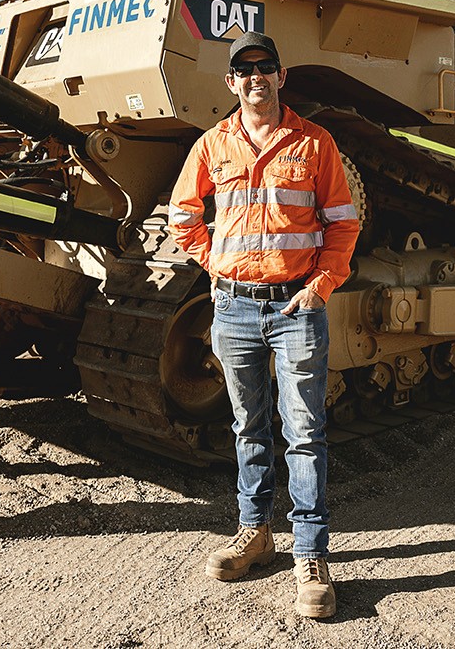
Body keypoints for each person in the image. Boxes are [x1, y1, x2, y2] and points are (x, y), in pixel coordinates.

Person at [169, 31, 361, 619]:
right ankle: (255, 533)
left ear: (281, 77)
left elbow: (343, 225)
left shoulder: (315, 143)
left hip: (295, 308)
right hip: (232, 306)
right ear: (231, 82)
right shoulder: (211, 145)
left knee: (304, 432)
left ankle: (310, 555)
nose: (255, 77)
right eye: (243, 70)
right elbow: (182, 218)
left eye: (265, 67)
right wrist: (217, 269)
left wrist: (317, 288)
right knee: (248, 425)